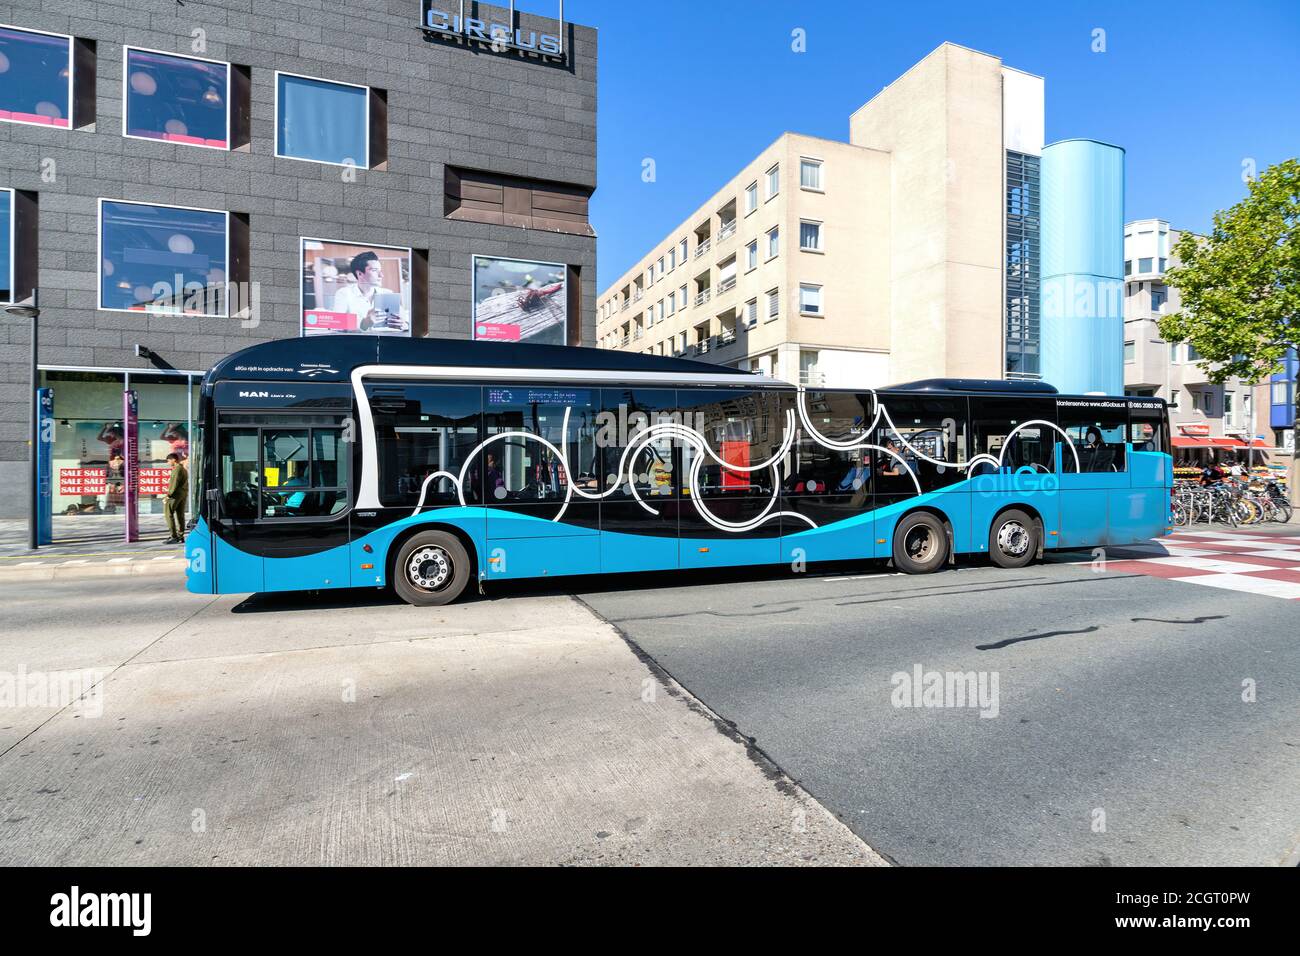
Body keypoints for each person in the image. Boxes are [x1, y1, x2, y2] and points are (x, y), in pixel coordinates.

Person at [331, 251, 388, 330]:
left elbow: (405, 320)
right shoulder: (344, 293)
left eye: (380, 270)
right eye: (374, 270)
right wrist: (364, 323)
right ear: (360, 274)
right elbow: (336, 323)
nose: (381, 275)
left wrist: (404, 324)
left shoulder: (387, 293)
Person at [164, 452, 188, 543]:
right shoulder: (183, 469)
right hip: (183, 494)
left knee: (168, 514)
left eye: (168, 461)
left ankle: (173, 536)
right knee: (180, 515)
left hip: (175, 495)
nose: (168, 463)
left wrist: (168, 495)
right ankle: (180, 536)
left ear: (173, 460)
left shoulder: (177, 469)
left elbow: (174, 484)